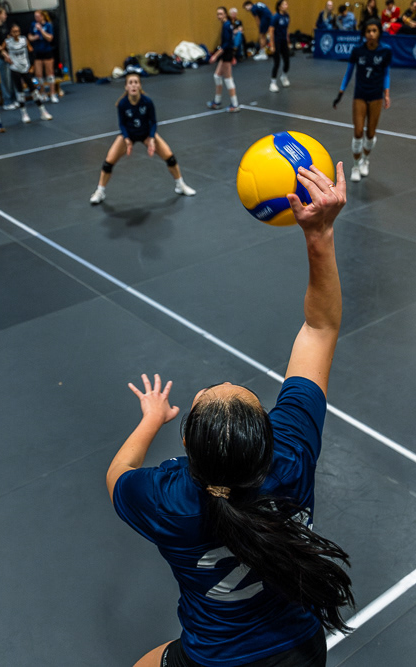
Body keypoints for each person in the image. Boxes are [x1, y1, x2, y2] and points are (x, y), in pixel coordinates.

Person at [108, 161, 353, 667]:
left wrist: (150, 419)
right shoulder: (291, 457)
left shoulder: (167, 499)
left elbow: (118, 475)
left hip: (216, 660)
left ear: (187, 454)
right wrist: (320, 235)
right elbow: (320, 329)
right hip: (300, 651)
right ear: (266, 435)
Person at [90, 73, 196, 205]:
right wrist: (127, 139)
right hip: (129, 134)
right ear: (126, 87)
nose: (133, 85)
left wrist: (151, 138)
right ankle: (100, 192)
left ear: (140, 86)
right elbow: (122, 124)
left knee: (170, 157)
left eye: (136, 82)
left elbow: (153, 122)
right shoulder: (122, 104)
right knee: (108, 162)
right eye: (130, 83)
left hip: (146, 134)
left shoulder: (147, 102)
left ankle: (180, 185)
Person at [334, 20, 392, 182]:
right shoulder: (357, 51)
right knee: (358, 132)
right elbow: (348, 73)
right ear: (364, 34)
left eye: (374, 30)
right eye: (368, 31)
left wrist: (386, 94)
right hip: (360, 95)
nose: (371, 34)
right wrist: (341, 92)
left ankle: (365, 160)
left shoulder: (386, 51)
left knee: (370, 133)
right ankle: (355, 165)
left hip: (376, 96)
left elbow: (386, 73)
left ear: (379, 32)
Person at [5, 23, 53, 124]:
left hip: (25, 68)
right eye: (14, 32)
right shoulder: (7, 42)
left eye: (17, 31)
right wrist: (6, 57)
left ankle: (43, 111)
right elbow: (0, 51)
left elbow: (31, 51)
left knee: (33, 90)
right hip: (15, 68)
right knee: (20, 91)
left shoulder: (24, 40)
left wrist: (31, 65)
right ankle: (24, 113)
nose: (16, 34)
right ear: (10, 33)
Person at [207, 7, 241, 112]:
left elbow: (226, 44)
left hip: (226, 54)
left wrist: (215, 55)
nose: (219, 16)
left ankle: (235, 104)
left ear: (225, 14)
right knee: (217, 76)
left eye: (221, 14)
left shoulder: (226, 25)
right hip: (227, 53)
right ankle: (217, 101)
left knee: (228, 78)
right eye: (218, 14)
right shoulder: (227, 24)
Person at [29, 11, 58, 103]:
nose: (36, 18)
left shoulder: (48, 25)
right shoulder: (33, 24)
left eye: (38, 16)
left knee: (50, 74)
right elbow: (29, 36)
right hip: (37, 52)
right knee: (39, 75)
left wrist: (41, 30)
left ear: (42, 16)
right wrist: (34, 38)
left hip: (47, 51)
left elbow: (50, 38)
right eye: (35, 17)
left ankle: (53, 93)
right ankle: (43, 93)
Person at [0, 8, 17, 111]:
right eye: (4, 14)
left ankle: (15, 99)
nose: (6, 16)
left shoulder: (6, 26)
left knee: (12, 78)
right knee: (5, 79)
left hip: (10, 55)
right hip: (2, 56)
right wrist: (3, 51)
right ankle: (7, 101)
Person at [268, 1, 292, 92]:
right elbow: (271, 31)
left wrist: (288, 41)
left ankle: (284, 76)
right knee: (277, 62)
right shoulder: (275, 17)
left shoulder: (287, 16)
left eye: (286, 4)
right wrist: (272, 45)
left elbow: (286, 30)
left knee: (287, 61)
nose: (286, 6)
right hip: (276, 41)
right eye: (284, 4)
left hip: (284, 41)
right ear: (279, 7)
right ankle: (273, 83)